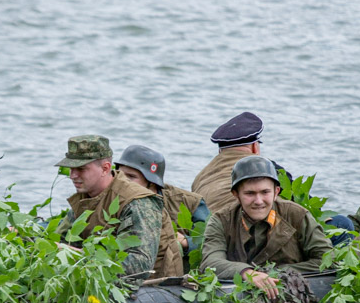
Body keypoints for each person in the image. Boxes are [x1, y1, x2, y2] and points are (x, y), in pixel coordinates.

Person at [200, 155, 332, 299]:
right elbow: (211, 263)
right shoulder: (221, 220)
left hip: (293, 292)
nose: (258, 201)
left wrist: (275, 273)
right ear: (236, 194)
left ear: (276, 192)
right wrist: (247, 273)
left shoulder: (297, 215)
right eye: (250, 193)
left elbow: (327, 259)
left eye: (265, 192)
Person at [56, 135, 164, 279]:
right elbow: (62, 241)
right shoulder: (85, 197)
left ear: (105, 168)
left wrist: (75, 254)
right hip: (96, 276)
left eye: (81, 169)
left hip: (148, 284)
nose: (72, 175)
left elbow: (139, 265)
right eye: (71, 169)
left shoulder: (137, 201)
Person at [115, 144, 210, 277]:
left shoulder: (190, 202)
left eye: (131, 176)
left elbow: (212, 242)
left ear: (151, 182)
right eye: (120, 175)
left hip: (178, 276)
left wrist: (185, 242)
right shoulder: (112, 199)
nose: (123, 181)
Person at [190, 111, 267, 215]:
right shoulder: (265, 167)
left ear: (220, 151)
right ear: (254, 147)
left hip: (207, 222)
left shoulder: (201, 176)